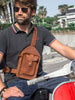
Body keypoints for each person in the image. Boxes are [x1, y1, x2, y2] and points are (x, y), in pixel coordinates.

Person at [0, 0, 75, 100]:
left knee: (69, 86)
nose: (19, 12)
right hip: (16, 82)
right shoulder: (5, 35)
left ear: (33, 11)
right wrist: (3, 90)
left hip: (41, 78)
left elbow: (63, 49)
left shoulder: (41, 31)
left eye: (24, 9)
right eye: (16, 9)